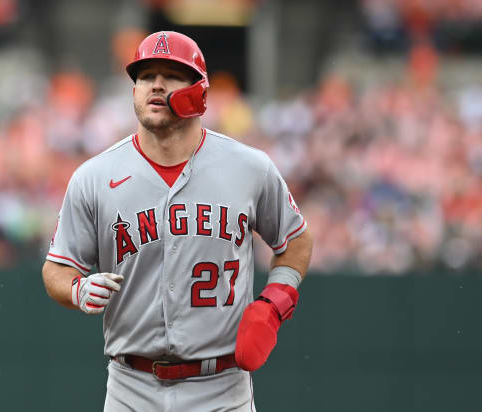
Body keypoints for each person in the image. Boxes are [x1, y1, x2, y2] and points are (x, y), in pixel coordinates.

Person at [41, 31, 313, 411]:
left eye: (171, 75)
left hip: (222, 387)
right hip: (131, 386)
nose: (155, 84)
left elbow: (295, 240)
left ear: (199, 91)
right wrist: (77, 290)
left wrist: (274, 303)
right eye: (145, 76)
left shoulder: (249, 167)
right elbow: (57, 268)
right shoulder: (95, 176)